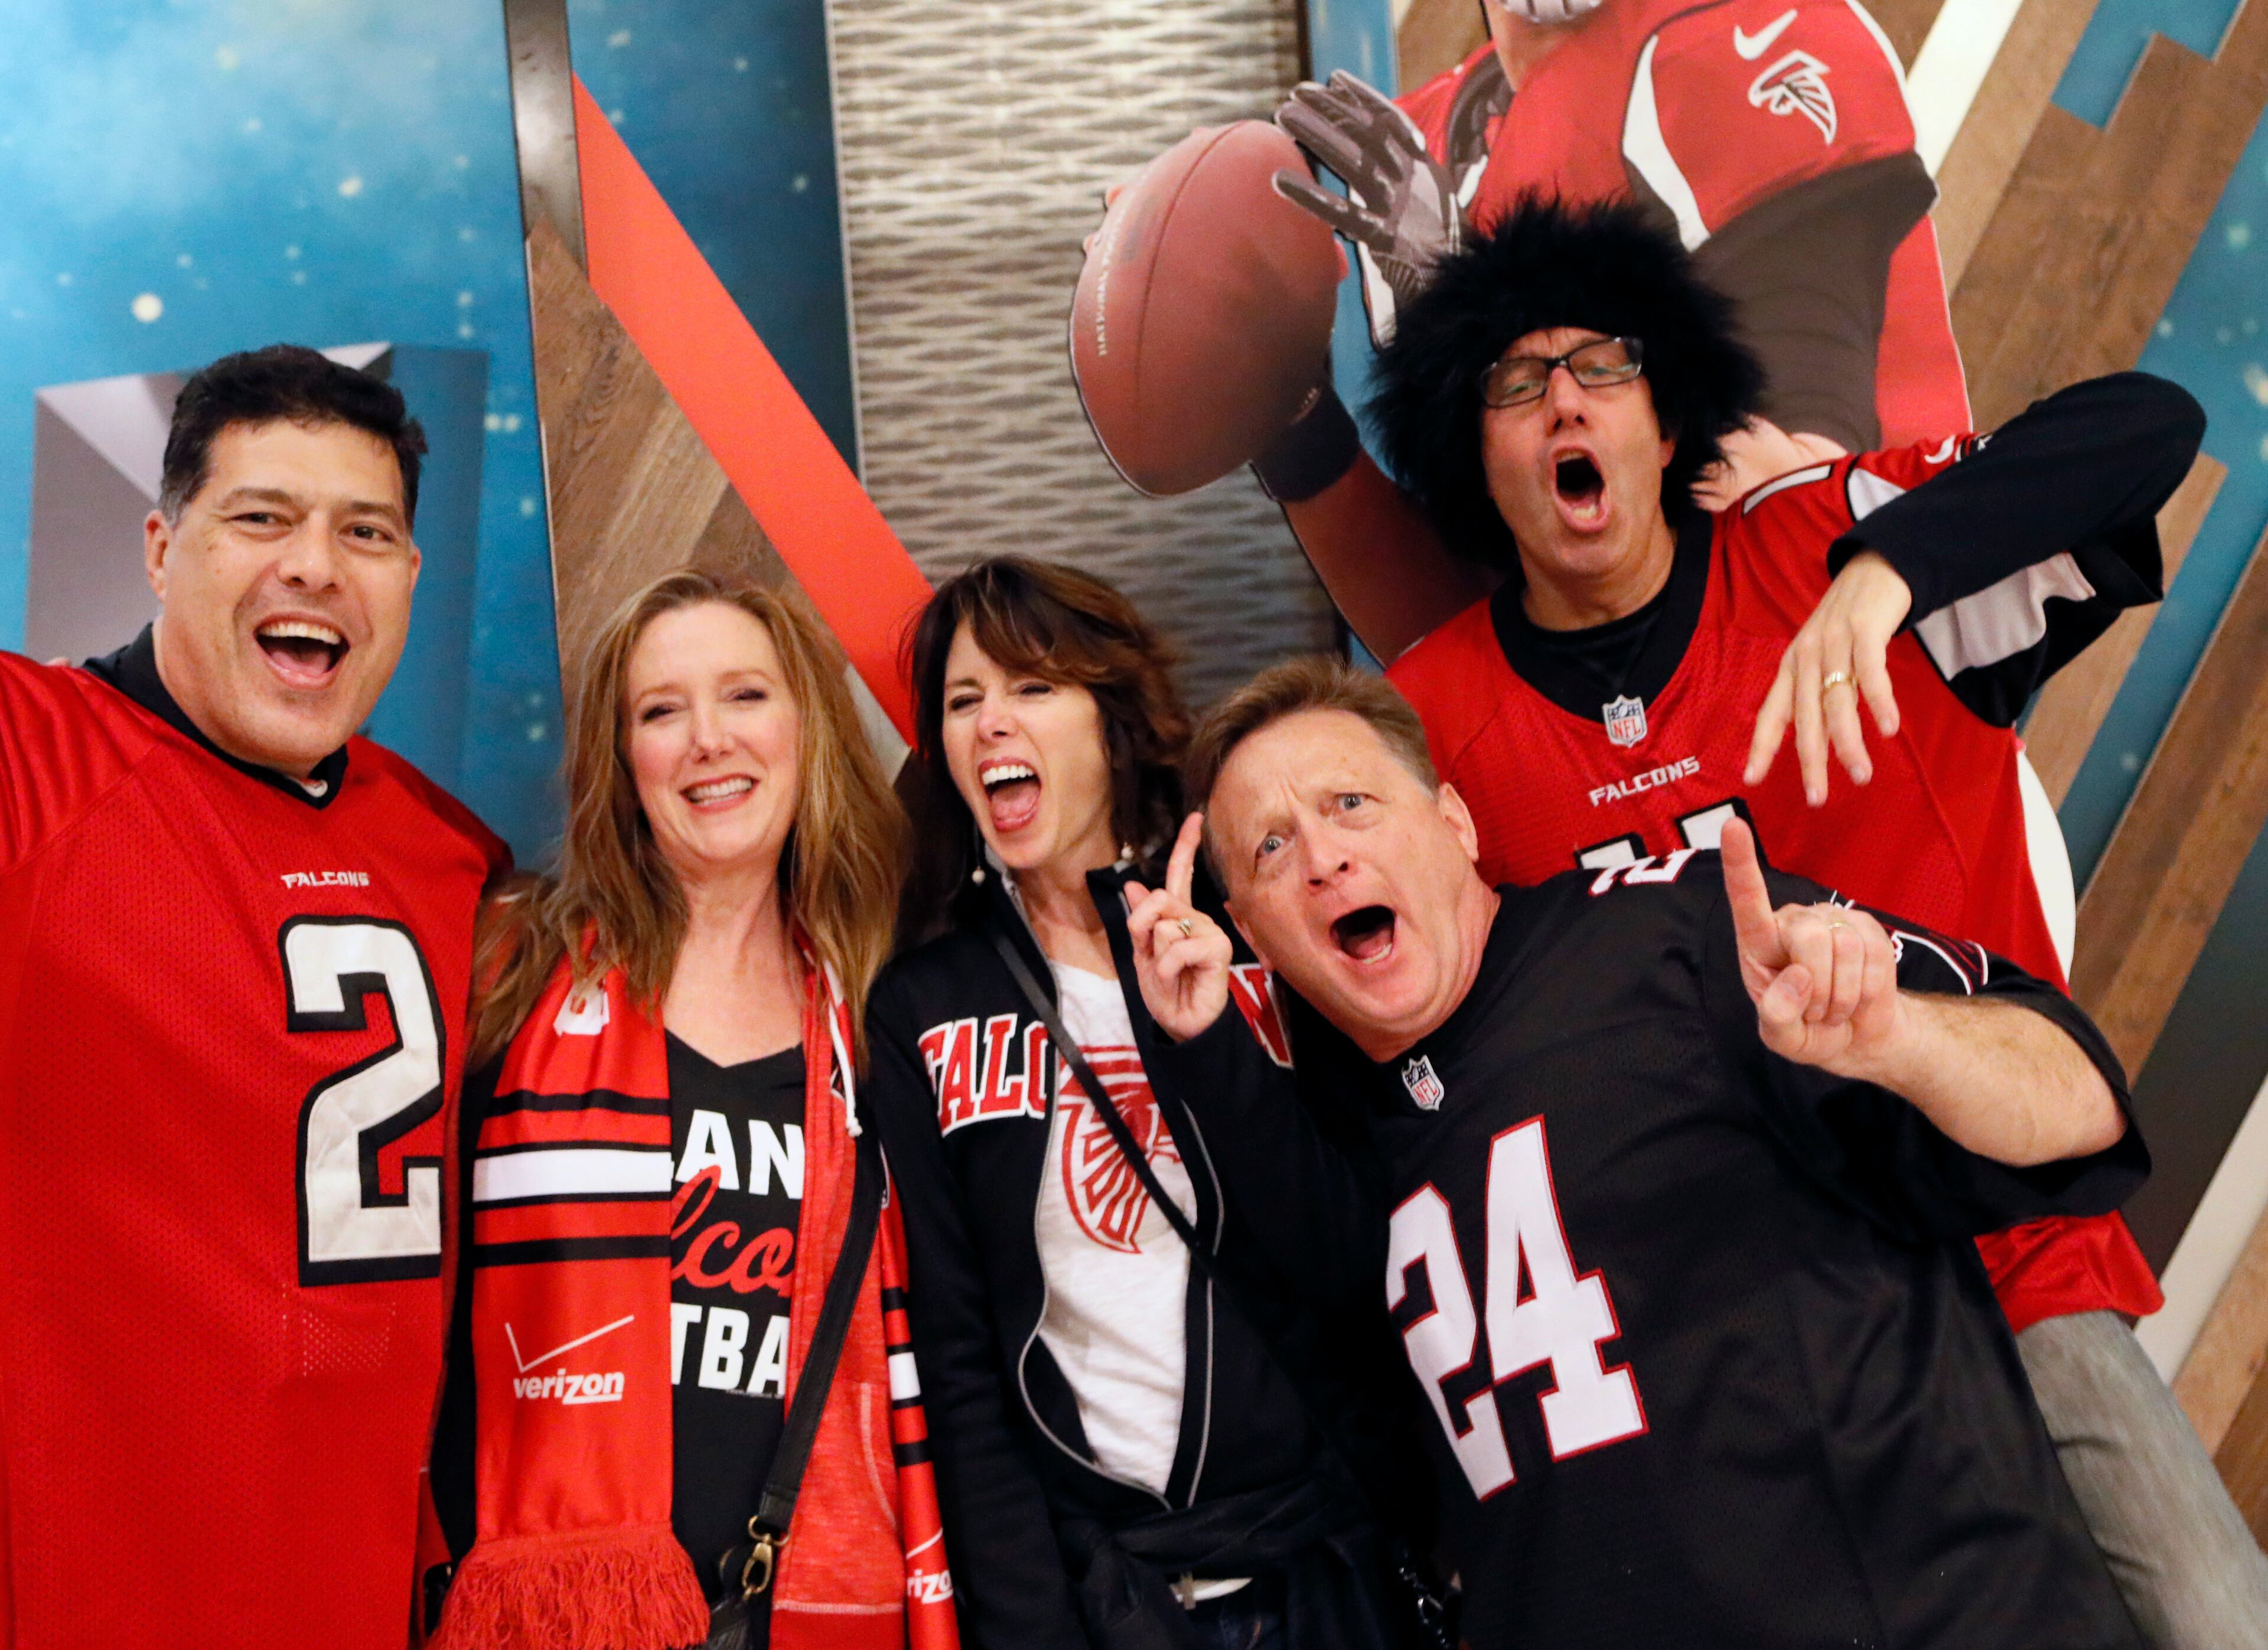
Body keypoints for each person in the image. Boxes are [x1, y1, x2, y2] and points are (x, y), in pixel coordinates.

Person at [1356, 194, 2268, 1645]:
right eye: (1514, 387)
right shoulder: (1430, 728)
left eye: (1601, 365)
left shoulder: (1824, 550)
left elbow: (2141, 430)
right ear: (1475, 457)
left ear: (1673, 418)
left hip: (1987, 1243)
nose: (1563, 405)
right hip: (1721, 1319)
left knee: (2211, 1614)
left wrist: (1886, 571)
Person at [1185, 655, 2152, 1648]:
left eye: (1352, 802)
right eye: (1269, 848)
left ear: (1456, 822)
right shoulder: (1330, 1152)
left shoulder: (1672, 927)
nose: (1322, 857)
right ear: (1256, 933)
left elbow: (2084, 1093)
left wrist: (1902, 1039)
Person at [0, 344, 509, 1645]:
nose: (315, 564)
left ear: (407, 576)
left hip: (362, 1594)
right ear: (162, 548)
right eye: (262, 516)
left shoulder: (458, 858)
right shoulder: (37, 763)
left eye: (368, 530)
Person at [866, 557, 1415, 1650]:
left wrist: (1208, 1039)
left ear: (1109, 718)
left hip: (1333, 1560)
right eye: (963, 701)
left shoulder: (1251, 921)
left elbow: (1353, 1258)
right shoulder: (926, 1006)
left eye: (1030, 687)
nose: (990, 724)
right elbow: (963, 1371)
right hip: (1126, 1597)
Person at [426, 572, 957, 1650]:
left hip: (803, 1598)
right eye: (661, 710)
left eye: (746, 696)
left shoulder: (881, 1007)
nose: (708, 738)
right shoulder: (509, 976)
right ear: (625, 763)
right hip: (550, 1605)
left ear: (806, 723)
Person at [1252, 0, 1968, 657]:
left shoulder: (1732, 33)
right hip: (1614, 753)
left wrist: (1477, 322)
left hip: (1866, 709)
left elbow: (1807, 509)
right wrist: (1290, 429)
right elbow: (1466, 647)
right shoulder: (1416, 147)